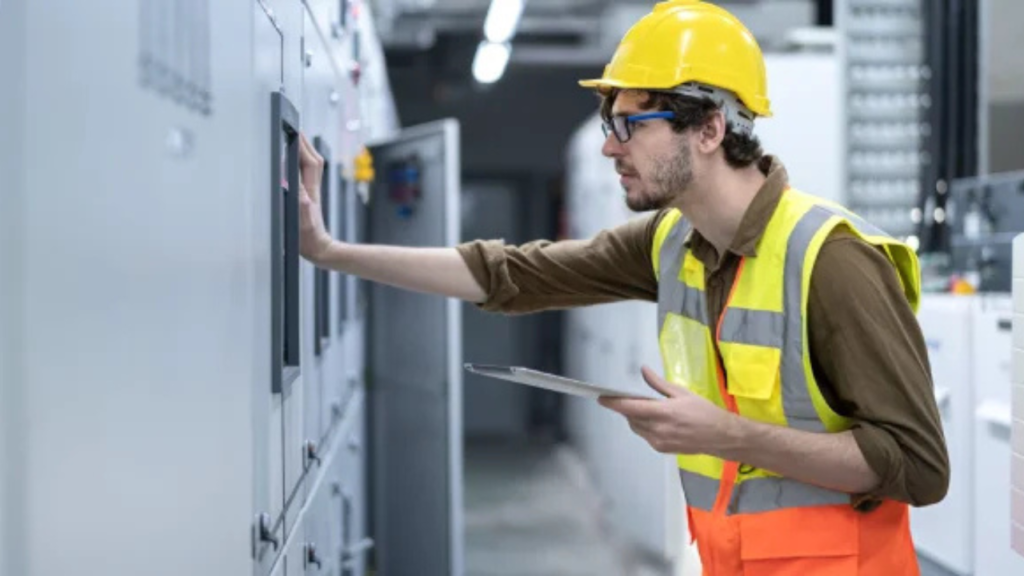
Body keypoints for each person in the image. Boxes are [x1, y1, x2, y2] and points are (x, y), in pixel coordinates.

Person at [296, 1, 948, 573]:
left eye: (631, 123)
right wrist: (328, 251)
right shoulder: (671, 241)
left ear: (709, 129)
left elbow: (918, 466)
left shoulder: (831, 260)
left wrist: (726, 434)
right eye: (611, 124)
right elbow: (512, 273)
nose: (612, 147)